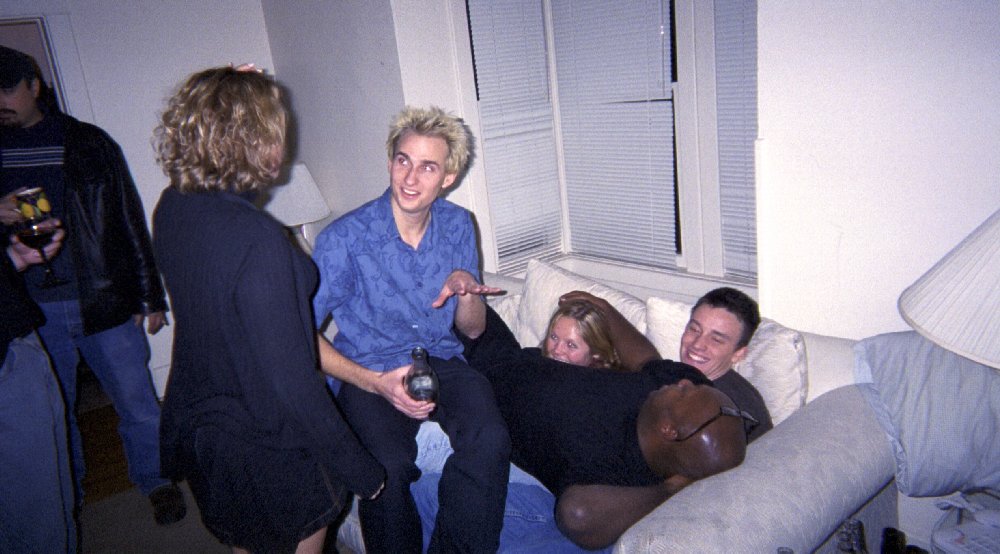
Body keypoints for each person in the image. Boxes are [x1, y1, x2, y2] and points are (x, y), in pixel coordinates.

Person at [151, 65, 385, 554]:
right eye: (275, 126)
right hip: (267, 446)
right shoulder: (258, 241)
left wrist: (223, 95)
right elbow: (294, 382)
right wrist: (361, 470)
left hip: (208, 433)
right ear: (258, 140)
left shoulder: (172, 206)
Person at [414, 281, 752, 550]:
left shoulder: (620, 473)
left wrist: (671, 489)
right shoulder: (678, 388)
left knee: (402, 358)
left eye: (684, 392)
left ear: (668, 430)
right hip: (505, 356)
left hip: (474, 403)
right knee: (441, 291)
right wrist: (603, 308)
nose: (683, 382)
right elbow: (648, 359)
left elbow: (576, 514)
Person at [312, 105, 511, 553]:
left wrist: (466, 291)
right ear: (390, 161)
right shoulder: (344, 239)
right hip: (370, 367)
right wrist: (374, 383)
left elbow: (473, 331)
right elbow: (297, 334)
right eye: (403, 160)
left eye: (427, 167)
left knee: (491, 439)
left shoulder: (459, 224)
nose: (410, 178)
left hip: (440, 357)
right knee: (387, 466)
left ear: (449, 177)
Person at [0, 45, 184, 523]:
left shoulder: (88, 142)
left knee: (138, 402)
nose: (0, 101)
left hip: (103, 297)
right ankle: (71, 498)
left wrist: (150, 295)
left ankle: (158, 480)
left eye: (7, 90)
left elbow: (128, 218)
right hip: (29, 309)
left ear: (34, 86)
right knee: (53, 416)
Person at [0, 223, 76, 553]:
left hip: (19, 333)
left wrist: (12, 259)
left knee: (56, 499)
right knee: (35, 518)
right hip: (6, 365)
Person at [678, 287, 773, 442]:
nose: (697, 344)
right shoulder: (679, 377)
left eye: (716, 339)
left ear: (738, 354)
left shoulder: (727, 411)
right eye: (694, 329)